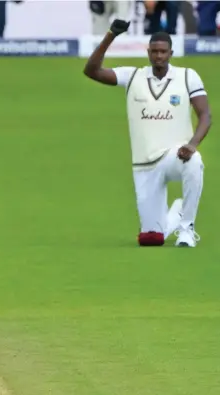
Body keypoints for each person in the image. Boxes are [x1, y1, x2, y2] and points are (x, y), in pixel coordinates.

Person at [83, 23, 211, 248]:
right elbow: (91, 71)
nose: (159, 56)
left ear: (171, 53)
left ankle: (187, 229)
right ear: (148, 53)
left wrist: (192, 145)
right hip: (144, 164)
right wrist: (111, 36)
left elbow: (205, 116)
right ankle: (178, 212)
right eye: (154, 51)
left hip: (175, 154)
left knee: (195, 161)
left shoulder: (187, 77)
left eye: (163, 52)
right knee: (151, 239)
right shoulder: (132, 76)